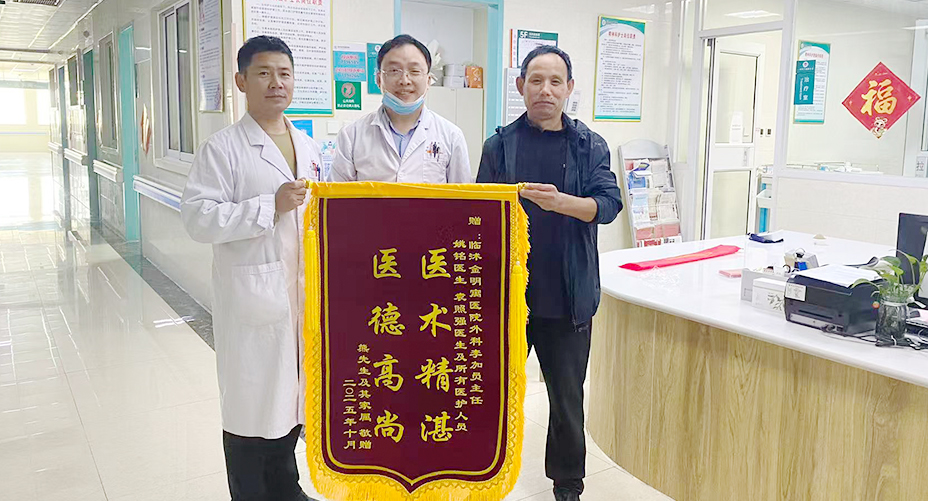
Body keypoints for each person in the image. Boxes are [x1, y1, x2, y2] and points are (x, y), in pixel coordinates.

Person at [476, 45, 622, 501]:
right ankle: (479, 473)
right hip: (508, 299)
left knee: (566, 400)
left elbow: (608, 205)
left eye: (555, 81)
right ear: (521, 86)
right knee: (491, 393)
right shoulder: (500, 146)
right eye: (536, 81)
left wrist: (561, 203)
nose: (545, 90)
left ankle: (568, 485)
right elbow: (478, 214)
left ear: (569, 88)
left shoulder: (589, 145)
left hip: (567, 297)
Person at [180, 35, 320, 501]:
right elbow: (198, 218)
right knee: (250, 413)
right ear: (241, 81)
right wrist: (267, 207)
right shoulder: (222, 148)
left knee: (289, 408)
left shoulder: (309, 148)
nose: (276, 82)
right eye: (263, 73)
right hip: (252, 300)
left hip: (299, 299)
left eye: (284, 73)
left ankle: (286, 489)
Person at [329, 34, 471, 183]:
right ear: (378, 79)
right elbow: (336, 194)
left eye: (414, 71)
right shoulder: (352, 136)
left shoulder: (451, 136)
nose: (404, 80)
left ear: (428, 80)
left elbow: (462, 195)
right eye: (394, 71)